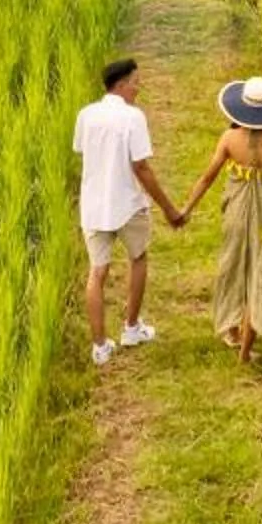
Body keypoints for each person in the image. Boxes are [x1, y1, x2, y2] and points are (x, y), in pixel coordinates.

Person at [175, 74, 262, 366]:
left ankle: (230, 326)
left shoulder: (230, 139)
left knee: (232, 266)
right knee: (261, 278)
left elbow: (207, 177)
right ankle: (244, 351)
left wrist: (186, 210)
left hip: (235, 214)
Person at [74, 56, 183, 366]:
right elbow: (142, 167)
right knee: (138, 258)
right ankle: (131, 328)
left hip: (93, 206)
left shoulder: (86, 115)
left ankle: (99, 347)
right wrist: (169, 208)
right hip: (127, 204)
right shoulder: (133, 117)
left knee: (97, 273)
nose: (139, 87)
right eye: (136, 82)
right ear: (120, 85)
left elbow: (84, 151)